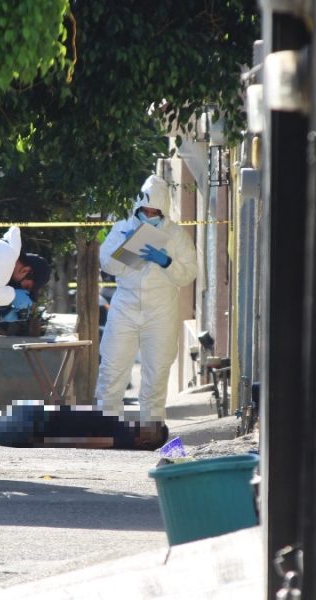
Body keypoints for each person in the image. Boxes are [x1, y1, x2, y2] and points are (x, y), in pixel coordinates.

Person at [95, 174, 197, 449]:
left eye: (155, 212)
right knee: (112, 368)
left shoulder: (176, 235)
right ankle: (106, 429)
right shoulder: (122, 228)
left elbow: (189, 273)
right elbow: (107, 264)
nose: (149, 215)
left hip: (161, 310)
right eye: (146, 211)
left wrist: (166, 262)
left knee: (156, 373)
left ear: (163, 211)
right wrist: (127, 249)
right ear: (138, 208)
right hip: (125, 307)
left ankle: (150, 434)